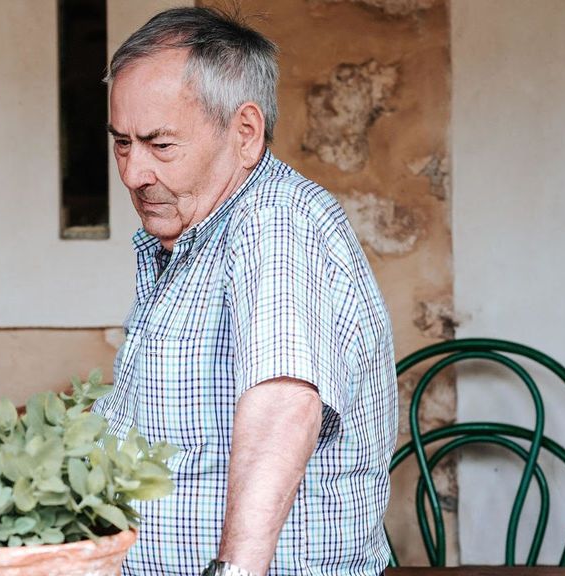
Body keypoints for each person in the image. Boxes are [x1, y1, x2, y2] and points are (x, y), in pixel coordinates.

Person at [92, 7, 398, 575]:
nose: (133, 173)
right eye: (122, 144)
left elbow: (285, 401)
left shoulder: (275, 223)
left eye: (160, 145)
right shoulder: (195, 236)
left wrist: (235, 570)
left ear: (245, 132)